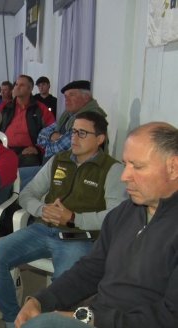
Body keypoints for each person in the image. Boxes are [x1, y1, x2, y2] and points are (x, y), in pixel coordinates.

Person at [14, 122, 178, 328]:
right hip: (99, 314)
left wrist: (88, 318)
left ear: (173, 167)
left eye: (137, 166)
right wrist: (41, 300)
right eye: (125, 164)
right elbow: (91, 269)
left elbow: (170, 317)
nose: (125, 176)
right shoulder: (123, 214)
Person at [0, 111, 127, 328]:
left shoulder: (112, 170)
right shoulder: (59, 160)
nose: (74, 137)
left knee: (66, 285)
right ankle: (12, 319)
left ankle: (47, 323)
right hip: (42, 229)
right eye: (73, 131)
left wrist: (74, 217)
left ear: (100, 139)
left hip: (79, 238)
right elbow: (28, 193)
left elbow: (115, 216)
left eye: (82, 133)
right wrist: (41, 209)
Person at [37, 80, 106, 162]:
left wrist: (47, 145)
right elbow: (41, 134)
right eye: (65, 96)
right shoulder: (68, 115)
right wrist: (52, 135)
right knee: (19, 172)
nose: (66, 99)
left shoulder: (91, 117)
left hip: (75, 170)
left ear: (86, 97)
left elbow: (60, 148)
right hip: (55, 164)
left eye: (72, 95)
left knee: (21, 173)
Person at [0, 75, 55, 167]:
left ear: (30, 89)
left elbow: (52, 131)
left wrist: (38, 148)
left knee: (29, 163)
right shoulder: (5, 107)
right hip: (5, 148)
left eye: (22, 85)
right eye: (16, 84)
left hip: (28, 152)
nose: (17, 87)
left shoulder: (40, 109)